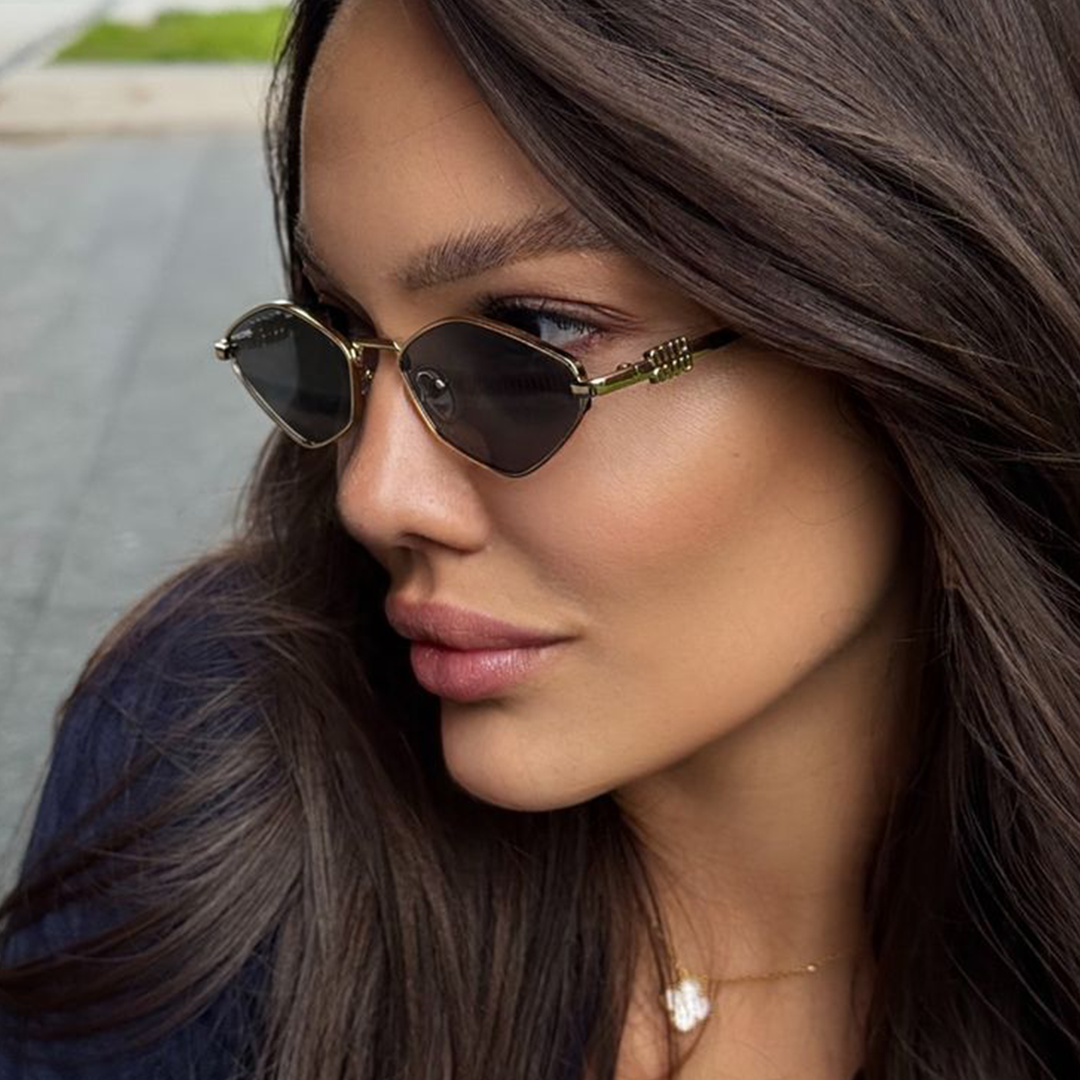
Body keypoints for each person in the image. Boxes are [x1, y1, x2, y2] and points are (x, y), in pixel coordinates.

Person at [3, 0, 1080, 1076]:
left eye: (535, 334)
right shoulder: (207, 761)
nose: (373, 497)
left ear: (930, 337)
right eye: (341, 330)